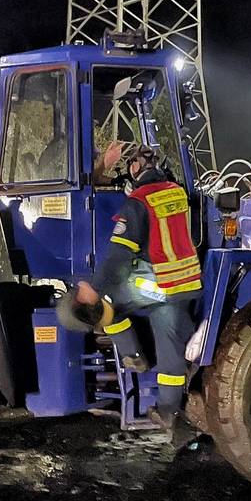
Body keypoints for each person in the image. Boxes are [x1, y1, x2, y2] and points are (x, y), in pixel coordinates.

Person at [76, 144, 201, 433]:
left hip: (159, 288)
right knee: (171, 350)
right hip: (189, 284)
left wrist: (94, 288)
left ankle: (134, 356)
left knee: (106, 305)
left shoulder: (138, 202)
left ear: (134, 167)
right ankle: (170, 412)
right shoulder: (177, 191)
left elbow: (119, 256)